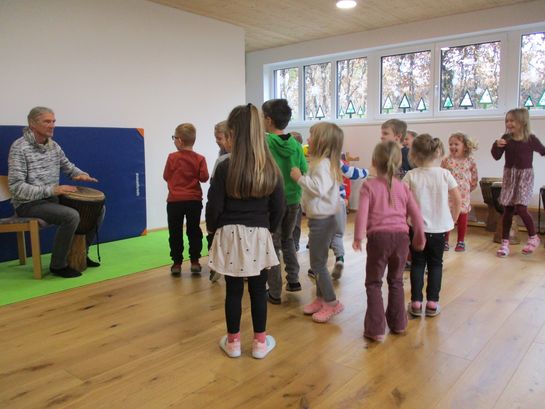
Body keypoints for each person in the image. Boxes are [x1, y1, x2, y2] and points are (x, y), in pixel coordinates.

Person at [206, 103, 284, 359]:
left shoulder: (224, 166)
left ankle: (233, 343)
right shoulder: (270, 167)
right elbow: (279, 206)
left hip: (229, 235)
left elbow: (214, 206)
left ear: (233, 134)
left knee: (233, 291)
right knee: (259, 290)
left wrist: (212, 232)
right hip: (259, 234)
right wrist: (268, 230)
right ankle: (260, 344)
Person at [7, 106, 103, 278]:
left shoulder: (53, 146)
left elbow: (68, 166)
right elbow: (16, 187)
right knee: (71, 216)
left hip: (51, 199)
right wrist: (52, 189)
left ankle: (81, 253)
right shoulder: (19, 148)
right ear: (32, 123)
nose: (52, 125)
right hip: (27, 204)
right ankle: (58, 265)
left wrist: (80, 174)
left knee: (98, 209)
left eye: (53, 121)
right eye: (47, 121)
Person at [353, 142, 425, 342]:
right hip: (401, 238)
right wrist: (419, 236)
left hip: (378, 239)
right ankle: (399, 324)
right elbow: (416, 215)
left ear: (374, 162)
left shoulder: (369, 186)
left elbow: (362, 214)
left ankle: (375, 329)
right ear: (399, 162)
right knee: (396, 281)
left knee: (373, 282)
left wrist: (358, 236)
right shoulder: (403, 187)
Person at [290, 122, 344, 323]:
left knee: (318, 265)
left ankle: (332, 302)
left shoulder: (322, 165)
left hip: (323, 220)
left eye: (311, 135)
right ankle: (321, 299)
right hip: (320, 219)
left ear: (321, 141)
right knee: (318, 262)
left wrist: (299, 178)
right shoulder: (321, 162)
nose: (308, 139)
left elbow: (318, 189)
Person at [403, 134, 461, 317]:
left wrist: (404, 218)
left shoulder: (411, 175)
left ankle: (416, 303)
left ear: (413, 154)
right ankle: (432, 303)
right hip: (439, 230)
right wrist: (453, 218)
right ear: (438, 153)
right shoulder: (445, 174)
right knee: (436, 264)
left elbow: (400, 199)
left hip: (416, 229)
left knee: (418, 264)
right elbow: (457, 199)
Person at [263, 99, 307, 304]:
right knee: (288, 239)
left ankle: (274, 291)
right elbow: (303, 170)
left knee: (272, 244)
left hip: (272, 201)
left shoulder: (265, 143)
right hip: (293, 200)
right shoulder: (296, 145)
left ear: (268, 120)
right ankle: (294, 280)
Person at [492, 108, 545, 257]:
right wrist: (496, 145)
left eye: (512, 120)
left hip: (525, 177)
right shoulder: (506, 138)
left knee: (521, 208)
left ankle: (533, 237)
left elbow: (543, 151)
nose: (508, 123)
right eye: (507, 120)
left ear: (522, 122)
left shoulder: (530, 139)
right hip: (510, 176)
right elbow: (496, 156)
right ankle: (505, 243)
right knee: (508, 210)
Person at [163, 123, 209, 277]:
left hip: (174, 201)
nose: (174, 141)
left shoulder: (172, 157)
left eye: (174, 138)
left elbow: (166, 176)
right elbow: (204, 178)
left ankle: (177, 263)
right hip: (193, 201)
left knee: (175, 231)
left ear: (180, 140)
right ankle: (195, 261)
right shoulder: (200, 159)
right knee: (194, 230)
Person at [441, 132, 479, 252]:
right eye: (450, 144)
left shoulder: (470, 160)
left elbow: (474, 177)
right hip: (448, 194)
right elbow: (441, 175)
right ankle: (445, 240)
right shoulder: (446, 160)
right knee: (447, 216)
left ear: (465, 146)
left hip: (463, 194)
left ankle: (460, 241)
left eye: (456, 144)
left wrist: (469, 188)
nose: (453, 146)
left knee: (462, 216)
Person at [208, 120, 230, 282]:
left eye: (220, 138)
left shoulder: (224, 160)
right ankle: (216, 264)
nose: (217, 141)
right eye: (215, 138)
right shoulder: (221, 154)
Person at [290, 131, 304, 252]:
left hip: (294, 195)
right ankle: (294, 243)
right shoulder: (300, 154)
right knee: (295, 222)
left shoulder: (299, 154)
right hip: (295, 196)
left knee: (295, 223)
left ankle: (294, 243)